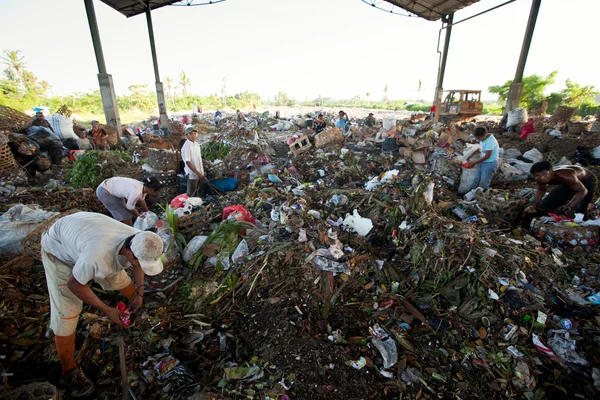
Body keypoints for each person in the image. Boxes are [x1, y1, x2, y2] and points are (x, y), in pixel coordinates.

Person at [41, 212, 164, 398]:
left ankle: (136, 306)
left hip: (85, 234)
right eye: (138, 261)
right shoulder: (97, 256)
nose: (139, 265)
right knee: (67, 313)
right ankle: (69, 372)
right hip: (59, 251)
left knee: (118, 278)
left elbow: (137, 265)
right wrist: (107, 311)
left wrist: (139, 294)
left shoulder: (138, 238)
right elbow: (74, 285)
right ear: (130, 254)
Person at [527, 162, 596, 219]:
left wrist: (570, 205)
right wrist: (533, 203)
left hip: (587, 180)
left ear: (551, 171)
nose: (542, 178)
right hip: (568, 182)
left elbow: (583, 190)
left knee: (580, 209)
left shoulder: (566, 176)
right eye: (538, 175)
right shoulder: (539, 178)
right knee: (546, 204)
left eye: (544, 174)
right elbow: (541, 190)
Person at [96, 176, 161, 226]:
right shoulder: (136, 192)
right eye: (155, 192)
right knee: (126, 216)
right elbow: (129, 207)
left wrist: (148, 213)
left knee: (125, 212)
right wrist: (140, 217)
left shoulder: (142, 186)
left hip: (111, 187)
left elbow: (141, 200)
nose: (154, 194)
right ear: (151, 189)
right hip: (105, 192)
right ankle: (129, 235)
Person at [181, 127, 206, 197]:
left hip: (200, 172)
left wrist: (205, 162)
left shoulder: (197, 144)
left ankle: (200, 205)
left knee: (200, 191)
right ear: (186, 135)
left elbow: (198, 157)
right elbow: (188, 162)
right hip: (193, 174)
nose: (193, 136)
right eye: (191, 134)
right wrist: (197, 173)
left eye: (195, 134)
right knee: (191, 193)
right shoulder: (186, 146)